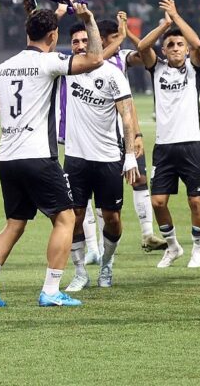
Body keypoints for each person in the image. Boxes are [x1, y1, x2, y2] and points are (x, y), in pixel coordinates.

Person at [0, 3, 105, 308]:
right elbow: (95, 59)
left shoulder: (3, 67)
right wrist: (90, 21)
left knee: (15, 223)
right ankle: (51, 289)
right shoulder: (50, 62)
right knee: (66, 219)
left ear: (27, 33)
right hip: (38, 157)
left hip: (7, 158)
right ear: (53, 36)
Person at [61, 19, 142, 292]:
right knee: (74, 216)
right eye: (76, 42)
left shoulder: (112, 74)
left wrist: (129, 155)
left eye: (86, 41)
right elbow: (38, 38)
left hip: (108, 158)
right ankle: (80, 271)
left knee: (113, 218)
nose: (81, 46)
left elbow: (127, 116)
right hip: (75, 158)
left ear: (95, 43)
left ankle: (107, 263)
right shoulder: (67, 69)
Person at [138, 0, 200, 269]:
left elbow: (199, 45)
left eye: (180, 44)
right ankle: (173, 246)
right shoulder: (156, 69)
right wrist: (164, 26)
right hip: (164, 146)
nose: (176, 48)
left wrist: (176, 18)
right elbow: (143, 46)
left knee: (195, 200)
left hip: (191, 143)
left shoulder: (194, 69)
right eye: (170, 45)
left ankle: (198, 249)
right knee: (157, 202)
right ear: (164, 51)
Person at [106, 10, 167, 252]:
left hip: (127, 131)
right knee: (104, 193)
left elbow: (143, 56)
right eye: (112, 37)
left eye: (115, 36)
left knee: (139, 179)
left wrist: (128, 34)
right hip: (99, 136)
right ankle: (96, 245)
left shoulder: (121, 58)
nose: (116, 40)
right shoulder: (91, 60)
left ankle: (148, 234)